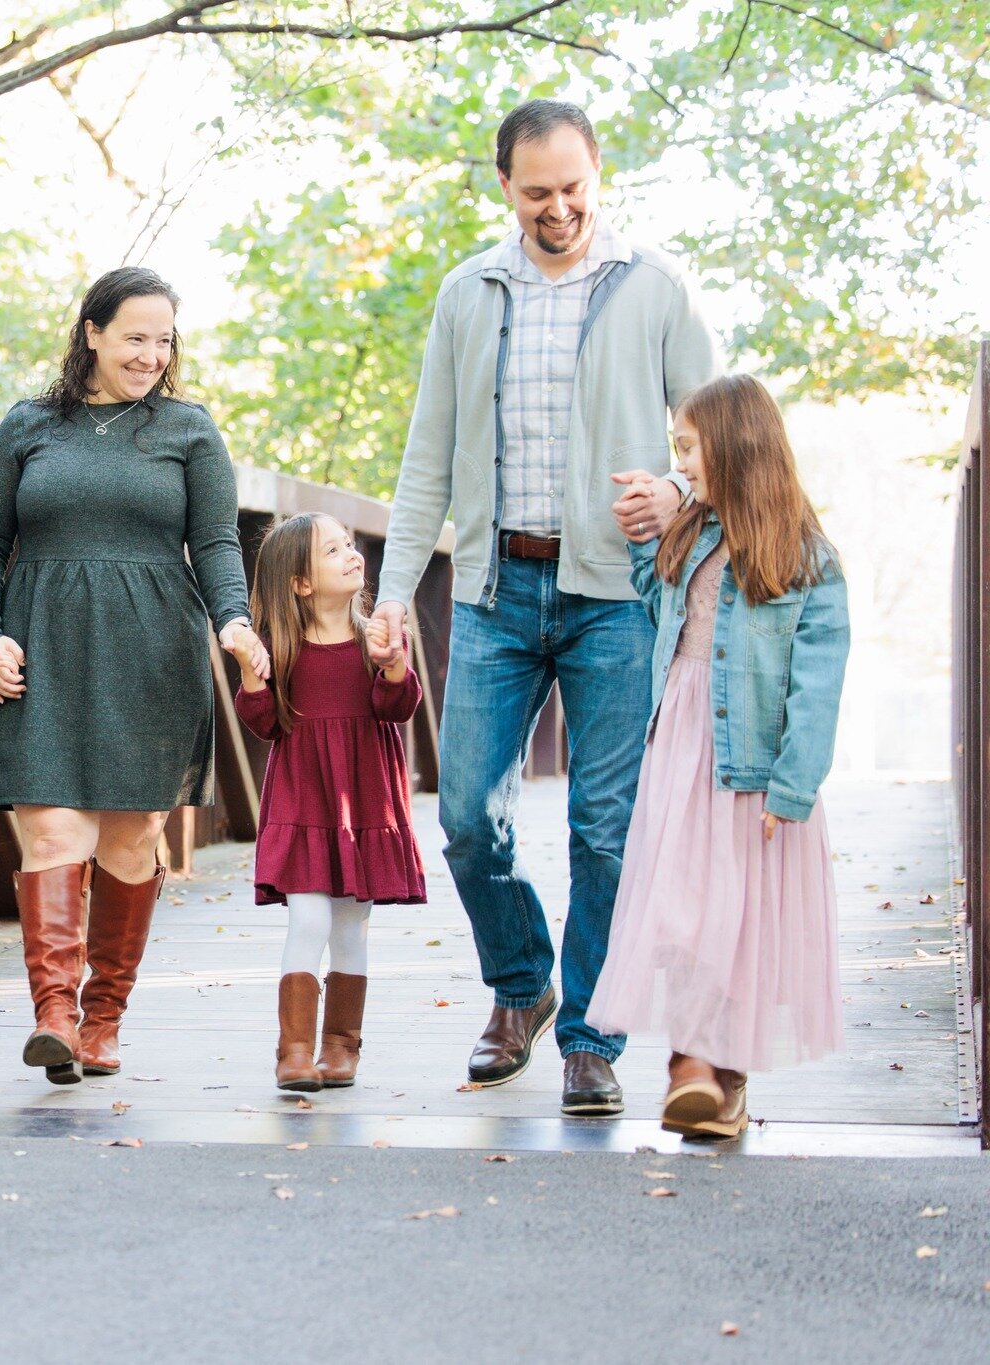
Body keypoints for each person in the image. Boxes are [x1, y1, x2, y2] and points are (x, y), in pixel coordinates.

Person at [370, 98, 720, 1115]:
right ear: (503, 189)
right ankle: (521, 985)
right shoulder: (466, 293)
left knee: (603, 829)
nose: (557, 208)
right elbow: (424, 455)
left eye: (572, 189)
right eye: (536, 193)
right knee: (470, 815)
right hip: (489, 589)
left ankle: (589, 1037)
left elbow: (720, 438)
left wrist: (678, 494)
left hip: (613, 594)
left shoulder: (651, 286)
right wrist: (393, 594)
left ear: (594, 176)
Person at [0, 265, 270, 1085]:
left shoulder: (189, 431)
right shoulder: (30, 426)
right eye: (135, 336)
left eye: (163, 339)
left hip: (153, 653)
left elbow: (215, 545)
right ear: (91, 332)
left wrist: (233, 622)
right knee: (56, 832)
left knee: (133, 839)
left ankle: (103, 1019)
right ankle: (54, 1014)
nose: (150, 354)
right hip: (44, 649)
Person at [588, 375, 848, 1139]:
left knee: (733, 925)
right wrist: (643, 526)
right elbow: (654, 593)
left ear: (732, 447)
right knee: (679, 909)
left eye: (688, 447)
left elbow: (818, 684)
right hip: (680, 754)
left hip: (752, 771)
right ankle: (691, 1067)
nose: (682, 462)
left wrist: (792, 788)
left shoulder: (806, 559)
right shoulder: (692, 537)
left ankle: (715, 1080)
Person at [228, 514, 427, 1093]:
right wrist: (249, 671)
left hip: (363, 800)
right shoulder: (279, 649)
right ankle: (294, 1050)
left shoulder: (375, 639)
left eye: (349, 543)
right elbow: (263, 722)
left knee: (351, 925)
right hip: (304, 799)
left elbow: (398, 709)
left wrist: (393, 667)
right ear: (301, 584)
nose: (352, 554)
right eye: (333, 549)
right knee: (309, 915)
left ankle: (341, 1047)